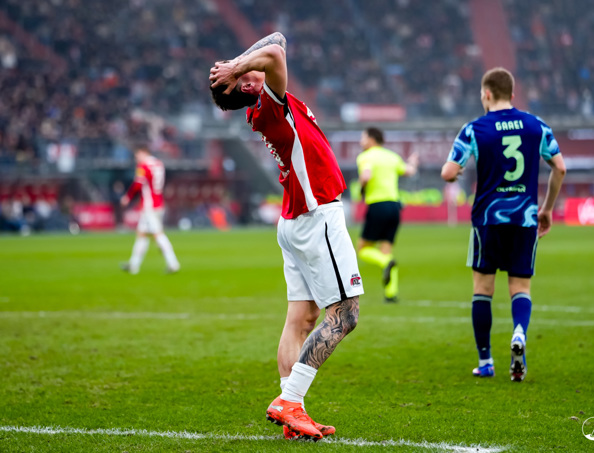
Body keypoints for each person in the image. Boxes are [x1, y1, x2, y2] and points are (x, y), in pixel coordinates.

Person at [209, 32, 363, 441]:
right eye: (243, 75)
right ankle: (290, 400)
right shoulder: (269, 104)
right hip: (317, 215)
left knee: (301, 320)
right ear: (246, 87)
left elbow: (277, 39)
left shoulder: (263, 102)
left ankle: (293, 413)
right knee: (346, 315)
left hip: (294, 221)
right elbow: (275, 50)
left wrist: (235, 63)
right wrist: (238, 66)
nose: (249, 68)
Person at [441, 67, 566, 382]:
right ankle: (519, 333)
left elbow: (448, 172)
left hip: (488, 219)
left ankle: (485, 361)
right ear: (511, 94)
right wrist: (547, 209)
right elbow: (560, 168)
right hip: (525, 218)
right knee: (520, 287)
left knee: (483, 289)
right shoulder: (536, 125)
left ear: (486, 94)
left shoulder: (474, 129)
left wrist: (456, 173)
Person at [356, 127, 418, 303]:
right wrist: (413, 161)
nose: (361, 141)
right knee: (386, 249)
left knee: (363, 249)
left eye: (363, 137)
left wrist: (361, 189)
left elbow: (366, 176)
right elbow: (409, 171)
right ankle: (391, 293)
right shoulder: (392, 156)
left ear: (371, 139)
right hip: (394, 207)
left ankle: (385, 263)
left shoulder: (366, 156)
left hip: (377, 205)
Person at [120, 144, 180, 275]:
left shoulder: (144, 166)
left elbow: (138, 184)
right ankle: (133, 265)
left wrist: (128, 197)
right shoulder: (158, 163)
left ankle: (173, 263)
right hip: (158, 203)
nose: (136, 158)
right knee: (142, 234)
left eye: (137, 155)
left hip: (149, 205)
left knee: (158, 235)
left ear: (143, 153)